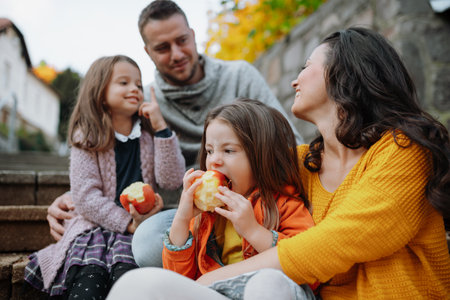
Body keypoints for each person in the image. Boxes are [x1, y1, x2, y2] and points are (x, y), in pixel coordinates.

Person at [108, 27, 450, 299]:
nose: (294, 80)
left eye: (306, 68)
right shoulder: (300, 162)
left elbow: (338, 241)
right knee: (145, 258)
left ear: (343, 74)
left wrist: (209, 280)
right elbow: (235, 164)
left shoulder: (402, 151)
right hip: (264, 284)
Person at [46, 0, 305, 268]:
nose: (177, 53)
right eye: (162, 48)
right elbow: (115, 156)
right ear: (147, 52)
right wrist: (74, 195)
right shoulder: (143, 102)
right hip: (184, 213)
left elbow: (289, 145)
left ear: (193, 36)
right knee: (146, 242)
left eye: (182, 40)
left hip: (253, 202)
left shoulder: (239, 77)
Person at [107, 98, 316, 299]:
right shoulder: (207, 215)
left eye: (228, 150)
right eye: (209, 150)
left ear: (263, 156)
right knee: (136, 282)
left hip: (271, 290)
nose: (214, 160)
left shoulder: (285, 204)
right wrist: (182, 217)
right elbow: (181, 278)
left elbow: (308, 266)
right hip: (219, 292)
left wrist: (253, 230)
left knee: (267, 283)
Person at [23, 55, 185, 298]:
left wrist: (162, 129)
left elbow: (172, 180)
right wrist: (128, 224)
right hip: (96, 228)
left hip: (138, 232)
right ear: (99, 92)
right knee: (90, 276)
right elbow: (86, 196)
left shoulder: (149, 136)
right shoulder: (86, 136)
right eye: (124, 82)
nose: (135, 89)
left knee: (129, 278)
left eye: (139, 85)